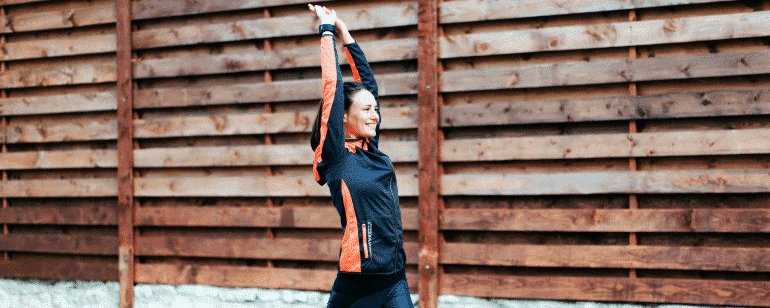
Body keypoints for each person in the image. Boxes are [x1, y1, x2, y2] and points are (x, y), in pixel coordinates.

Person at [308, 4, 414, 308]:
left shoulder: (372, 149)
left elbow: (368, 83)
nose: (375, 115)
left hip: (395, 278)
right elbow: (333, 86)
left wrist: (346, 35)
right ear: (343, 117)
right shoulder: (336, 156)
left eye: (376, 109)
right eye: (366, 110)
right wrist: (326, 31)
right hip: (358, 284)